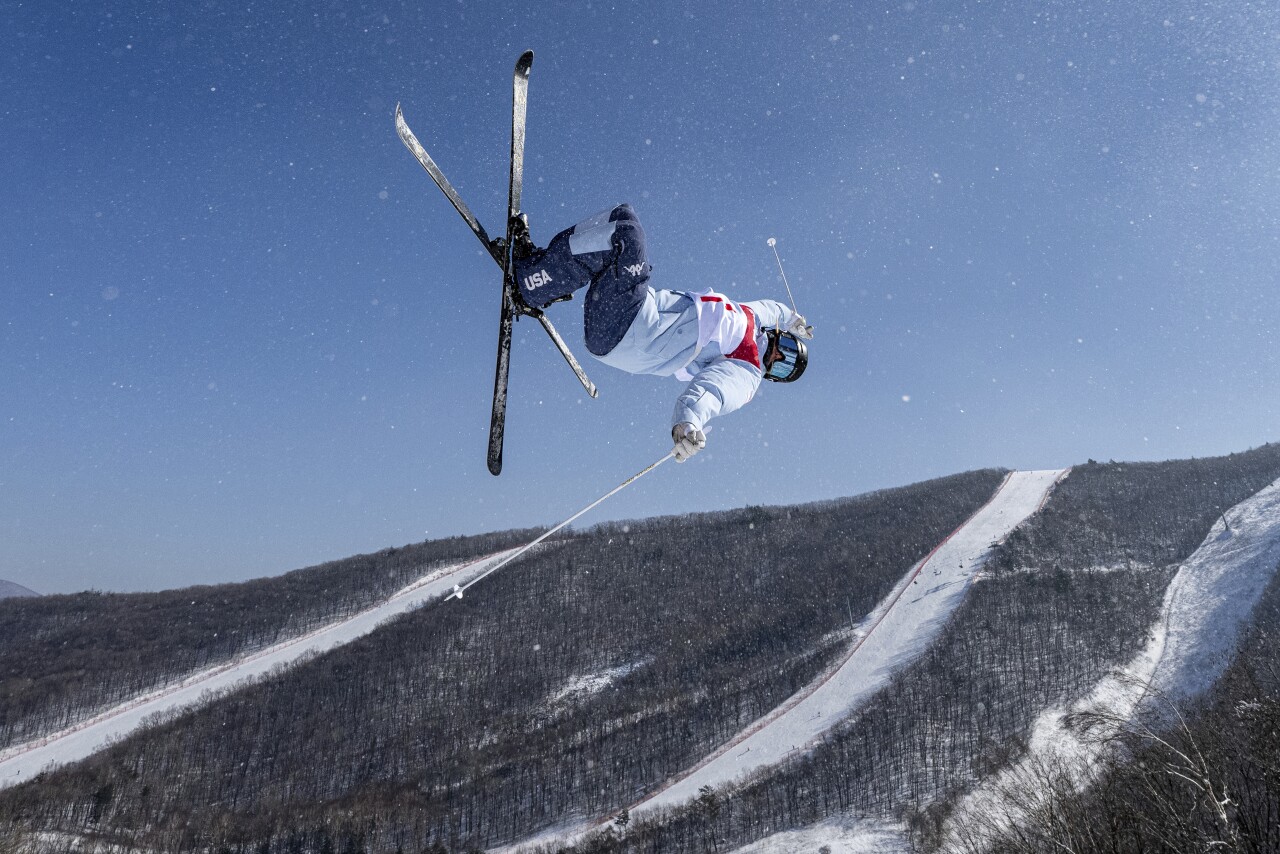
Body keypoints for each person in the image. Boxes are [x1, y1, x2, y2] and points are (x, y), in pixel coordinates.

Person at [513, 204, 813, 463]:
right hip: (634, 312)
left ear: (773, 376)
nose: (777, 356)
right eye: (787, 350)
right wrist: (793, 318)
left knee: (627, 236)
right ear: (783, 336)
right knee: (622, 215)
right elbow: (772, 309)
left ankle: (529, 284)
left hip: (632, 332)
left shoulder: (747, 370)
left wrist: (688, 424)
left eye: (782, 367)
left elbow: (714, 393)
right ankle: (540, 269)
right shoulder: (754, 318)